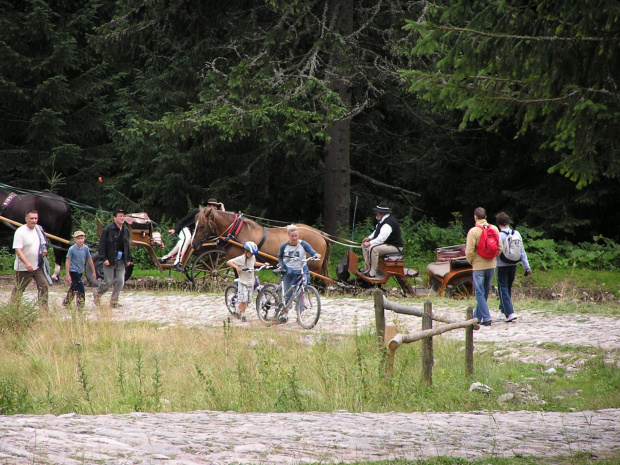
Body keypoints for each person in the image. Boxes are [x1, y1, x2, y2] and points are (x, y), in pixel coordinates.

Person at [160, 198, 225, 273]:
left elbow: (222, 221)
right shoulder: (198, 212)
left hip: (196, 235)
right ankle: (178, 262)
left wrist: (223, 209)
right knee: (186, 240)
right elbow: (184, 220)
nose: (215, 208)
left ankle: (165, 258)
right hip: (187, 230)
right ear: (208, 206)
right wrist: (175, 229)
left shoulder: (212, 216)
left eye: (216, 206)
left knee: (181, 244)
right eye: (214, 206)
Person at [465, 207, 502, 326]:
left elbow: (469, 251)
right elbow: (500, 248)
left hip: (478, 266)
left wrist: (472, 262)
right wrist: (493, 258)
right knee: (485, 292)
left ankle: (486, 318)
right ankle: (477, 316)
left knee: (479, 293)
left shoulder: (473, 231)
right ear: (485, 217)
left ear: (475, 217)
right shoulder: (495, 228)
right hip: (491, 265)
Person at [495, 212, 532, 322]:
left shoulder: (499, 235)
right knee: (508, 287)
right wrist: (527, 266)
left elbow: (496, 251)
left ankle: (510, 313)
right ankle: (503, 311)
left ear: (498, 224)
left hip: (502, 265)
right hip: (514, 264)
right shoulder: (516, 233)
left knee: (502, 288)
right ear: (508, 222)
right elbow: (522, 251)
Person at [10, 210, 50, 311]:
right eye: (31, 218)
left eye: (35, 218)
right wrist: (27, 263)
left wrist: (43, 250)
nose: (34, 221)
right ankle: (13, 309)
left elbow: (41, 244)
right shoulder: (20, 232)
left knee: (44, 285)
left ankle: (43, 309)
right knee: (19, 289)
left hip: (37, 266)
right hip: (23, 268)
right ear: (26, 219)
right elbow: (18, 250)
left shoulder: (38, 230)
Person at [93, 208, 133, 308]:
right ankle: (97, 293)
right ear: (114, 218)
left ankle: (114, 301)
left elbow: (127, 246)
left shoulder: (126, 230)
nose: (122, 218)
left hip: (121, 260)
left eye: (123, 216)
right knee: (108, 281)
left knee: (120, 280)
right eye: (120, 216)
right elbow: (102, 245)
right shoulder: (107, 229)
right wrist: (103, 258)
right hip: (110, 259)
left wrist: (128, 259)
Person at [226, 241, 270, 322]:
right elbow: (229, 262)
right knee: (243, 300)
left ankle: (238, 310)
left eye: (253, 254)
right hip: (243, 282)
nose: (251, 255)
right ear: (245, 252)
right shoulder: (240, 259)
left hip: (251, 282)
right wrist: (237, 267)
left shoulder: (252, 257)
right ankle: (243, 315)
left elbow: (254, 263)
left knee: (248, 300)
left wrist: (263, 264)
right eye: (250, 253)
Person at [278, 224, 321, 305]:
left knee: (301, 291)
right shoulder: (284, 246)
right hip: (289, 271)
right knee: (288, 294)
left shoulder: (303, 244)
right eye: (292, 236)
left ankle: (300, 313)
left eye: (296, 236)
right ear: (288, 235)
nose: (294, 238)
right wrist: (282, 265)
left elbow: (311, 251)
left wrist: (316, 255)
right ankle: (285, 312)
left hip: (301, 270)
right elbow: (280, 256)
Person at [360, 203, 403, 279]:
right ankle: (366, 268)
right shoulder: (382, 220)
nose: (376, 213)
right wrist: (369, 238)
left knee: (373, 249)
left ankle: (372, 272)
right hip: (388, 244)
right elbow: (377, 231)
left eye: (377, 212)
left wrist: (370, 243)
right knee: (364, 246)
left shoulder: (388, 223)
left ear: (382, 213)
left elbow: (381, 239)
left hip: (395, 246)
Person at [63, 231, 96, 308]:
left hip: (80, 270)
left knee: (74, 287)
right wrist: (67, 274)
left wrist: (94, 271)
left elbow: (89, 259)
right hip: (73, 270)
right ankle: (80, 304)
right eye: (78, 239)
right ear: (75, 239)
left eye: (82, 238)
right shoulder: (72, 249)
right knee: (80, 286)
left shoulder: (85, 248)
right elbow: (67, 261)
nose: (80, 240)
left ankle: (67, 302)